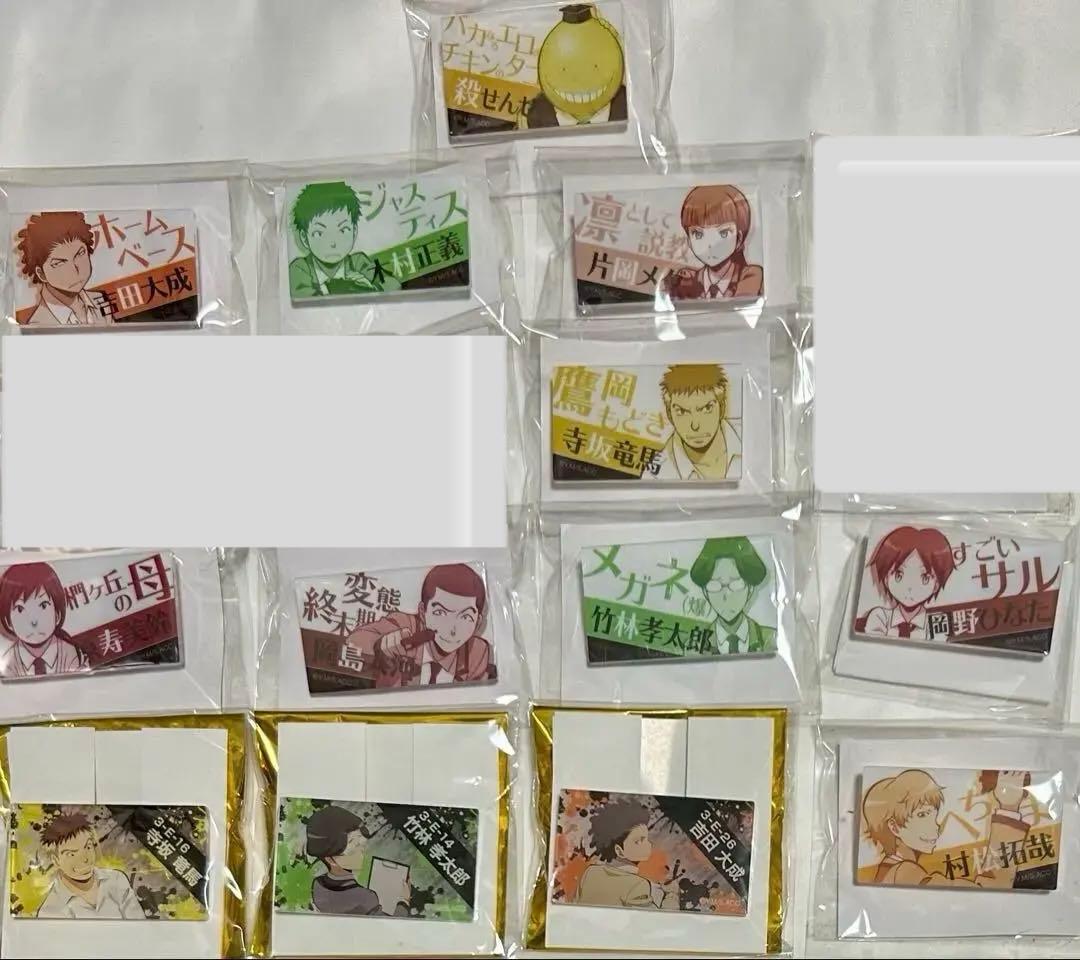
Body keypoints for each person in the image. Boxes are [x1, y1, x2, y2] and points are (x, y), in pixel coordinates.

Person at [862, 769, 1031, 887]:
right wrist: (1008, 808)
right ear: (894, 827)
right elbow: (989, 893)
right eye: (922, 815)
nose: (935, 825)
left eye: (933, 815)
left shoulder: (890, 871)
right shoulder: (903, 874)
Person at [344, 564, 493, 687]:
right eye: (441, 613)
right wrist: (380, 645)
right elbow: (353, 642)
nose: (452, 630)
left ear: (477, 622)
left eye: (465, 617)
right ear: (422, 612)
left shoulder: (477, 653)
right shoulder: (405, 627)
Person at [288, 181, 401, 298]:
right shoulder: (300, 267)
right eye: (319, 233)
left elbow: (393, 284)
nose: (332, 243)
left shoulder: (358, 261)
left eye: (343, 230)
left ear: (354, 231)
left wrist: (369, 288)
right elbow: (303, 297)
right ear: (304, 238)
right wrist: (345, 288)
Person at [527, 5, 627, 128]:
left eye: (594, 66)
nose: (580, 78)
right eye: (564, 69)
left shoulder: (630, 104)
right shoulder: (536, 115)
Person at [305, 805, 410, 915]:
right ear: (330, 859)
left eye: (360, 838)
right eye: (352, 843)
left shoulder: (318, 884)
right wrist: (404, 901)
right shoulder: (364, 898)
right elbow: (389, 923)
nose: (362, 846)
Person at [855, 526, 956, 640]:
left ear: (936, 585)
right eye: (898, 575)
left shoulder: (936, 621)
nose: (910, 588)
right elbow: (872, 646)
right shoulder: (880, 617)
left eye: (925, 578)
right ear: (887, 578)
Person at [665, 185, 763, 301]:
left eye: (723, 233)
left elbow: (743, 306)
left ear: (739, 238)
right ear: (689, 241)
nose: (710, 245)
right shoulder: (687, 281)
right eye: (698, 234)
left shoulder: (750, 276)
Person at [36, 813, 144, 918]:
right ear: (56, 861)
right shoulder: (51, 910)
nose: (85, 859)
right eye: (71, 854)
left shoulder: (116, 880)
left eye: (88, 847)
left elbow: (139, 924)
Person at [575, 801, 678, 910]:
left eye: (646, 839)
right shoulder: (637, 885)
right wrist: (672, 895)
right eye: (639, 841)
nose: (649, 844)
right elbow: (657, 919)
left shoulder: (590, 872)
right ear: (619, 851)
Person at [16, 211, 111, 327]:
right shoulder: (39, 325)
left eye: (80, 254)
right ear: (41, 274)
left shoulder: (100, 300)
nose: (75, 270)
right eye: (59, 263)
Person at [0, 562, 88, 678]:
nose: (33, 621)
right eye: (20, 609)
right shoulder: (9, 663)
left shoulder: (70, 653)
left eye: (43, 606)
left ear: (57, 613)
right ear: (8, 622)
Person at [654, 364, 741, 481]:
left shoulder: (749, 436)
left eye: (707, 408)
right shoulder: (657, 473)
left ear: (722, 407)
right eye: (682, 411)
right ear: (670, 415)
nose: (695, 425)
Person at [690, 537, 776, 655]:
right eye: (715, 584)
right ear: (705, 592)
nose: (726, 594)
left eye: (735, 583)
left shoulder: (772, 641)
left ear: (750, 589)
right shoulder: (694, 647)